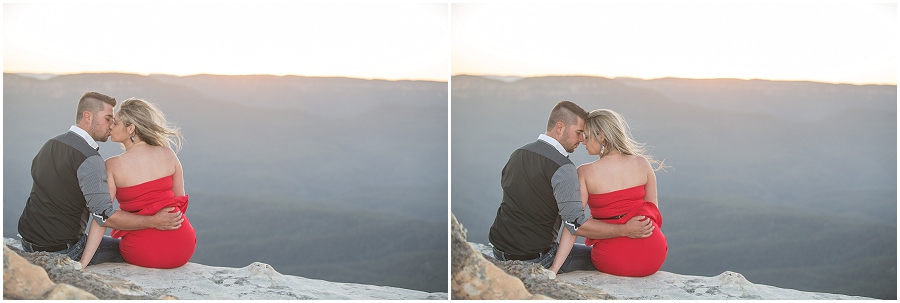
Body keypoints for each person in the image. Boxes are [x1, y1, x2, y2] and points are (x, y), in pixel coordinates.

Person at [17, 92, 184, 269]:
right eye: (107, 118)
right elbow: (104, 216)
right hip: (63, 250)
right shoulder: (90, 159)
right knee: (129, 248)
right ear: (87, 117)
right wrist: (153, 221)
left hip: (27, 242)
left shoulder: (50, 144)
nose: (111, 125)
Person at [488, 101, 655, 275]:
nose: (582, 139)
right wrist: (624, 230)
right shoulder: (563, 167)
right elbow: (575, 224)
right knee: (600, 256)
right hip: (536, 259)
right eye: (578, 133)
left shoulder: (518, 153)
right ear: (560, 128)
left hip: (499, 251)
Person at [551, 109, 668, 277]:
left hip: (613, 259)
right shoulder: (642, 164)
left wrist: (554, 269)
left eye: (586, 135)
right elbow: (653, 214)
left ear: (602, 136)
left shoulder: (585, 172)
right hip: (654, 255)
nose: (582, 140)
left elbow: (573, 224)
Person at [82, 98, 197, 269]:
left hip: (143, 251)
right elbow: (179, 202)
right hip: (183, 247)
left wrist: (83, 263)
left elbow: (102, 217)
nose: (111, 126)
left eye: (116, 122)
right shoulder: (168, 153)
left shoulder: (112, 165)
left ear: (131, 129)